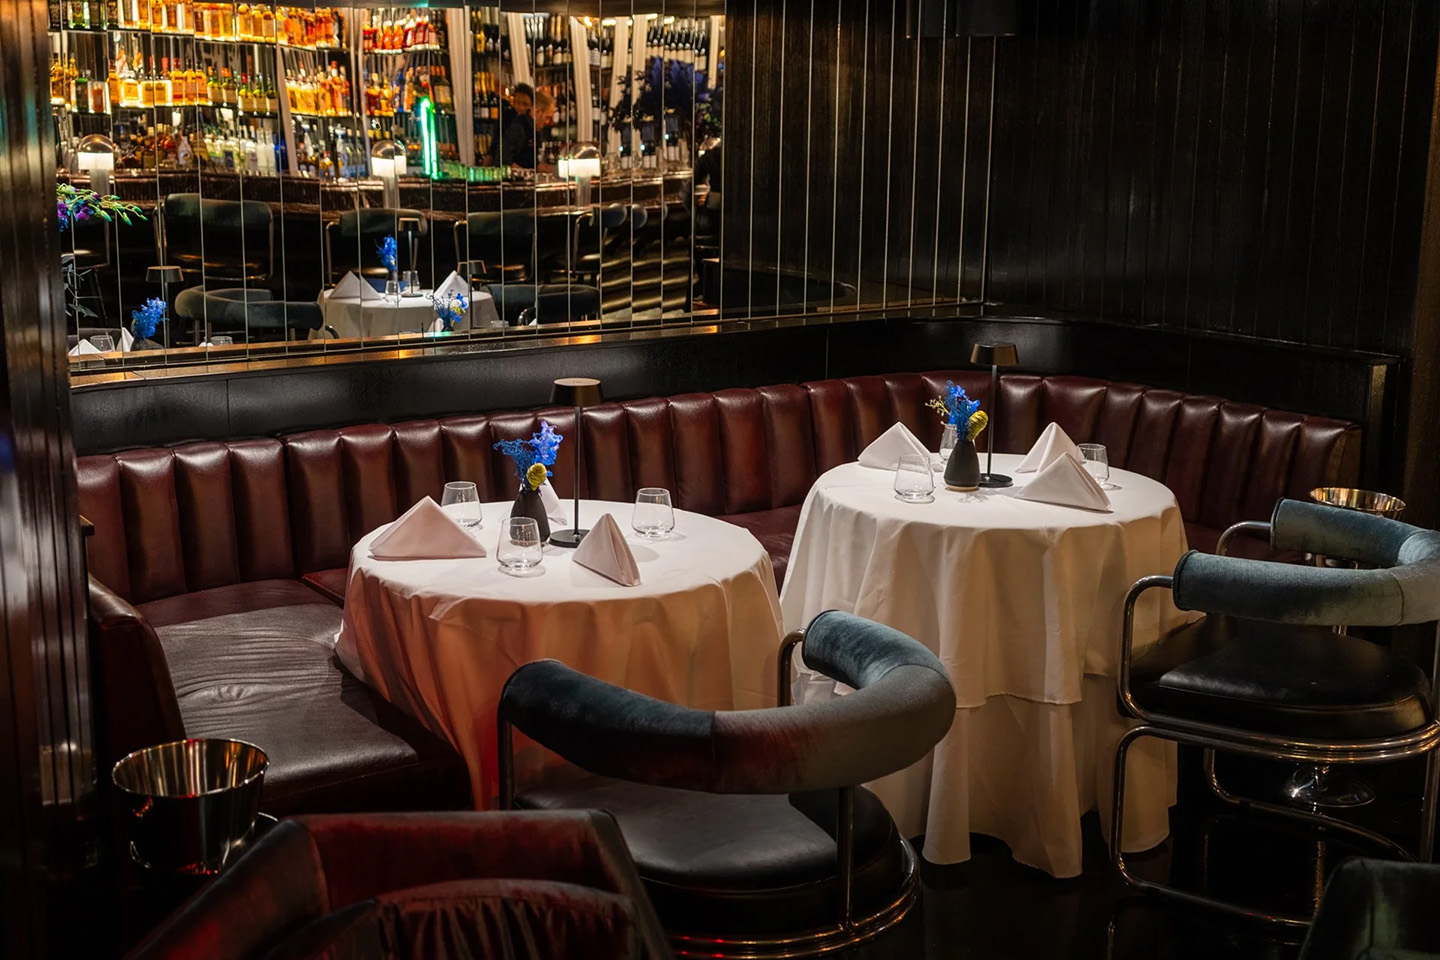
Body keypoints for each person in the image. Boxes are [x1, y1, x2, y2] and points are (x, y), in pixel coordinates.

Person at [496, 87, 555, 172]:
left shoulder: (536, 131)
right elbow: (503, 160)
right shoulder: (519, 127)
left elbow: (533, 164)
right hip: (514, 183)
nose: (548, 122)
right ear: (538, 112)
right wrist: (526, 174)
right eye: (547, 117)